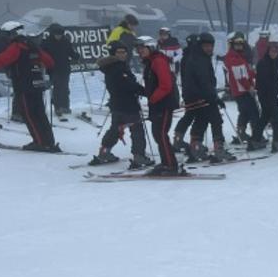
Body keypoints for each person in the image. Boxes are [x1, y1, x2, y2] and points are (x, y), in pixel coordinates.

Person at [0, 21, 60, 152]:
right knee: (40, 114)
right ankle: (48, 141)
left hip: (23, 86)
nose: (7, 38)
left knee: (29, 115)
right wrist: (50, 70)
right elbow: (49, 61)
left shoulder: (17, 47)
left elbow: (0, 60)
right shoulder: (32, 45)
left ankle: (40, 143)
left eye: (8, 35)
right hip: (37, 85)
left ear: (12, 33)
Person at [90, 38, 150, 168]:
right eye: (119, 52)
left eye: (124, 52)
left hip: (117, 104)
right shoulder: (117, 68)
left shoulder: (111, 66)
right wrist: (146, 92)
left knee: (116, 129)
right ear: (113, 53)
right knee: (136, 129)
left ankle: (104, 151)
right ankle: (139, 156)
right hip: (127, 104)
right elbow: (129, 85)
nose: (123, 54)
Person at [135, 36, 183, 176]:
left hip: (163, 104)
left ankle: (170, 165)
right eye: (138, 49)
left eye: (142, 48)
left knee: (161, 134)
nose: (139, 51)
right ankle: (166, 162)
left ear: (150, 47)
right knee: (158, 134)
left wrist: (153, 99)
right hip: (158, 104)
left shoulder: (158, 61)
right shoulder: (151, 62)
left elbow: (165, 85)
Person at [185, 32, 235, 163]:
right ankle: (219, 149)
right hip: (203, 96)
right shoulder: (200, 60)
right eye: (206, 46)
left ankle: (195, 147)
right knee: (216, 120)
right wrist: (214, 98)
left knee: (201, 121)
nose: (209, 48)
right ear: (200, 46)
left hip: (196, 96)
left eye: (211, 46)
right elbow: (205, 82)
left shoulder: (197, 57)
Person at [224, 32, 265, 151]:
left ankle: (241, 132)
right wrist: (249, 88)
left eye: (241, 44)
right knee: (254, 113)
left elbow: (246, 71)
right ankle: (256, 137)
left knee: (245, 112)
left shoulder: (239, 56)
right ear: (232, 44)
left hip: (241, 90)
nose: (239, 46)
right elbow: (240, 76)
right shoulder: (233, 57)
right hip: (242, 90)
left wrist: (256, 75)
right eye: (237, 44)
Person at [40, 23, 76, 117]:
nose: (58, 36)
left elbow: (70, 52)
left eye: (60, 34)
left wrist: (75, 55)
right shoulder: (46, 42)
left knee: (64, 88)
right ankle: (57, 107)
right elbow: (42, 54)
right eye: (57, 34)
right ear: (52, 33)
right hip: (52, 69)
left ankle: (65, 106)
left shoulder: (66, 41)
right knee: (56, 88)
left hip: (65, 68)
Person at [256, 39, 278, 153]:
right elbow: (266, 81)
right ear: (268, 51)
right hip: (266, 94)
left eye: (276, 52)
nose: (274, 53)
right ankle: (277, 141)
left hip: (268, 93)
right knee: (276, 117)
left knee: (265, 116)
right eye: (272, 51)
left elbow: (273, 81)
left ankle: (255, 138)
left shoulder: (273, 62)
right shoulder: (264, 63)